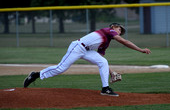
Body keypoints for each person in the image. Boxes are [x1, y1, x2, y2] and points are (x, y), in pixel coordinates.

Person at [23, 23, 151, 97]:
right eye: (119, 29)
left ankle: (105, 88)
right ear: (113, 26)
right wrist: (140, 50)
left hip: (87, 50)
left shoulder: (106, 42)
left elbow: (100, 58)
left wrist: (112, 72)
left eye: (121, 31)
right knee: (61, 68)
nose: (120, 31)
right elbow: (124, 41)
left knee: (103, 62)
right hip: (77, 47)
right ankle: (36, 75)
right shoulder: (109, 30)